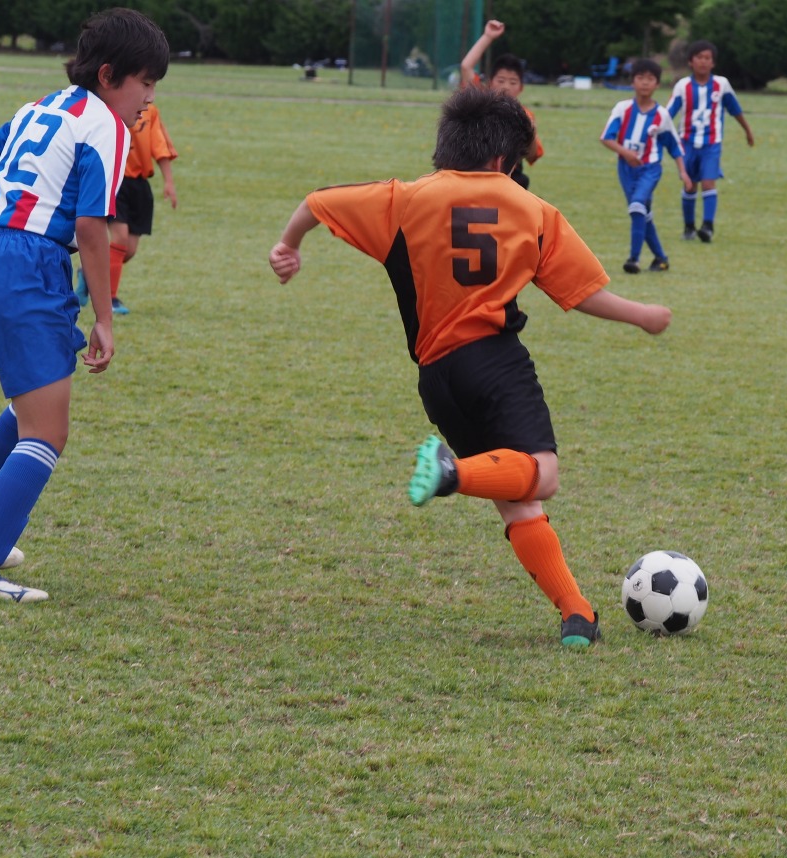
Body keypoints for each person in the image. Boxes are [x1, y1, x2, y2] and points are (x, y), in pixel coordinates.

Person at [268, 88, 671, 647]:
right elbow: (580, 293)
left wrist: (287, 246)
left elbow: (317, 203)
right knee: (542, 474)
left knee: (516, 497)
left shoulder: (403, 199)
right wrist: (643, 315)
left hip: (437, 377)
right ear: (504, 160)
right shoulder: (533, 210)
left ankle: (576, 614)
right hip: (495, 362)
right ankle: (450, 473)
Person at [0, 8, 169, 603]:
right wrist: (104, 318)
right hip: (27, 265)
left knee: (29, 407)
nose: (149, 98)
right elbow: (92, 228)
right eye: (145, 82)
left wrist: (11, 222)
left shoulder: (41, 106)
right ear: (109, 75)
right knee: (47, 432)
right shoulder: (107, 126)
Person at [75, 102, 177, 315]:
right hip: (116, 181)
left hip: (139, 185)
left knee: (128, 250)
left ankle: (87, 272)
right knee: (119, 238)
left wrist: (169, 181)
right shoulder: (109, 107)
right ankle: (110, 299)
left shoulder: (150, 112)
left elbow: (160, 147)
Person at [600, 58, 694, 274]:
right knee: (642, 213)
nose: (644, 82)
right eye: (640, 78)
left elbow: (674, 146)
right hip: (626, 169)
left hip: (650, 169)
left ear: (657, 84)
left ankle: (633, 259)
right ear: (632, 81)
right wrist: (626, 153)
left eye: (650, 79)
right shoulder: (622, 108)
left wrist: (683, 172)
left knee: (636, 207)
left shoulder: (662, 115)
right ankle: (661, 258)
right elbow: (606, 137)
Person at [666, 39, 755, 243]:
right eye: (699, 57)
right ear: (691, 61)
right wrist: (654, 132)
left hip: (711, 144)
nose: (703, 62)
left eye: (708, 58)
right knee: (690, 185)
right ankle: (689, 227)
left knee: (708, 182)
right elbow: (668, 114)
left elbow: (735, 109)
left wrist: (747, 130)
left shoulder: (721, 85)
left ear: (713, 63)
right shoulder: (683, 86)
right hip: (687, 143)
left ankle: (707, 226)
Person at [458, 19, 543, 190]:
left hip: (511, 179)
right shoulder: (480, 103)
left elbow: (532, 155)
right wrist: (488, 36)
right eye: (501, 80)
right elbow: (466, 67)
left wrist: (531, 130)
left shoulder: (524, 115)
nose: (506, 87)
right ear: (490, 82)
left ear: (521, 87)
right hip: (477, 173)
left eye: (513, 82)